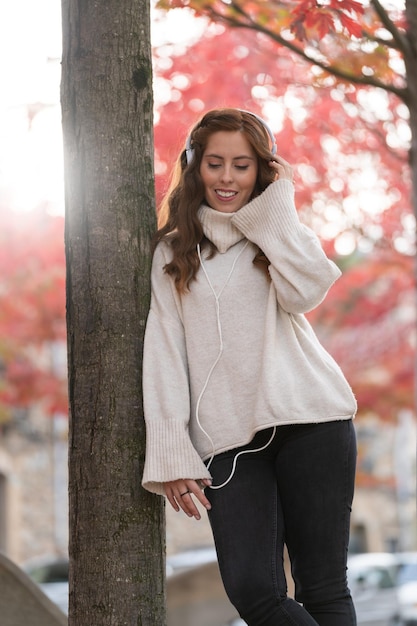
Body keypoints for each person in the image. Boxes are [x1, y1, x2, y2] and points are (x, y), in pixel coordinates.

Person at [142, 108, 357, 625]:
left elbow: (307, 290)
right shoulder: (173, 251)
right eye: (215, 163)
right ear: (194, 165)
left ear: (263, 170)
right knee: (254, 590)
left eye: (243, 165)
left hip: (314, 421)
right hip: (229, 441)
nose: (227, 178)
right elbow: (164, 349)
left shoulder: (277, 233)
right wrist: (172, 451)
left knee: (323, 587)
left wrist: (272, 208)